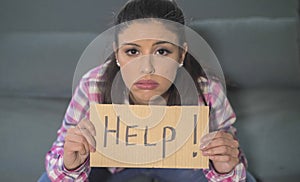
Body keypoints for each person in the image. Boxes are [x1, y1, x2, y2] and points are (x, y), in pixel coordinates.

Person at [39, 0, 256, 181]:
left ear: (181, 55)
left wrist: (225, 165)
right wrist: (70, 163)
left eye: (162, 51)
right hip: (113, 169)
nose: (146, 68)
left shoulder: (208, 91)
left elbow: (234, 161)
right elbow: (59, 155)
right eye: (132, 51)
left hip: (183, 169)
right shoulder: (92, 85)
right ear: (117, 53)